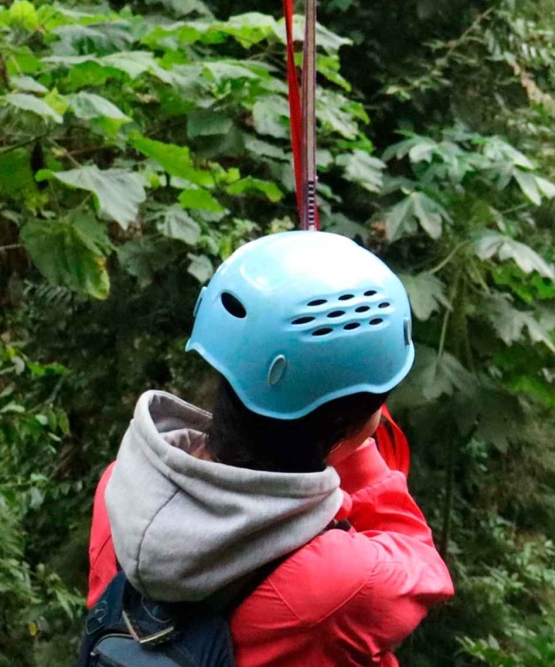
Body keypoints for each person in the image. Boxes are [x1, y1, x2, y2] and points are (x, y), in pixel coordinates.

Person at [84, 230, 454, 666]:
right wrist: (357, 456)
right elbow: (422, 569)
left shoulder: (122, 487)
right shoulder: (346, 582)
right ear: (349, 424)